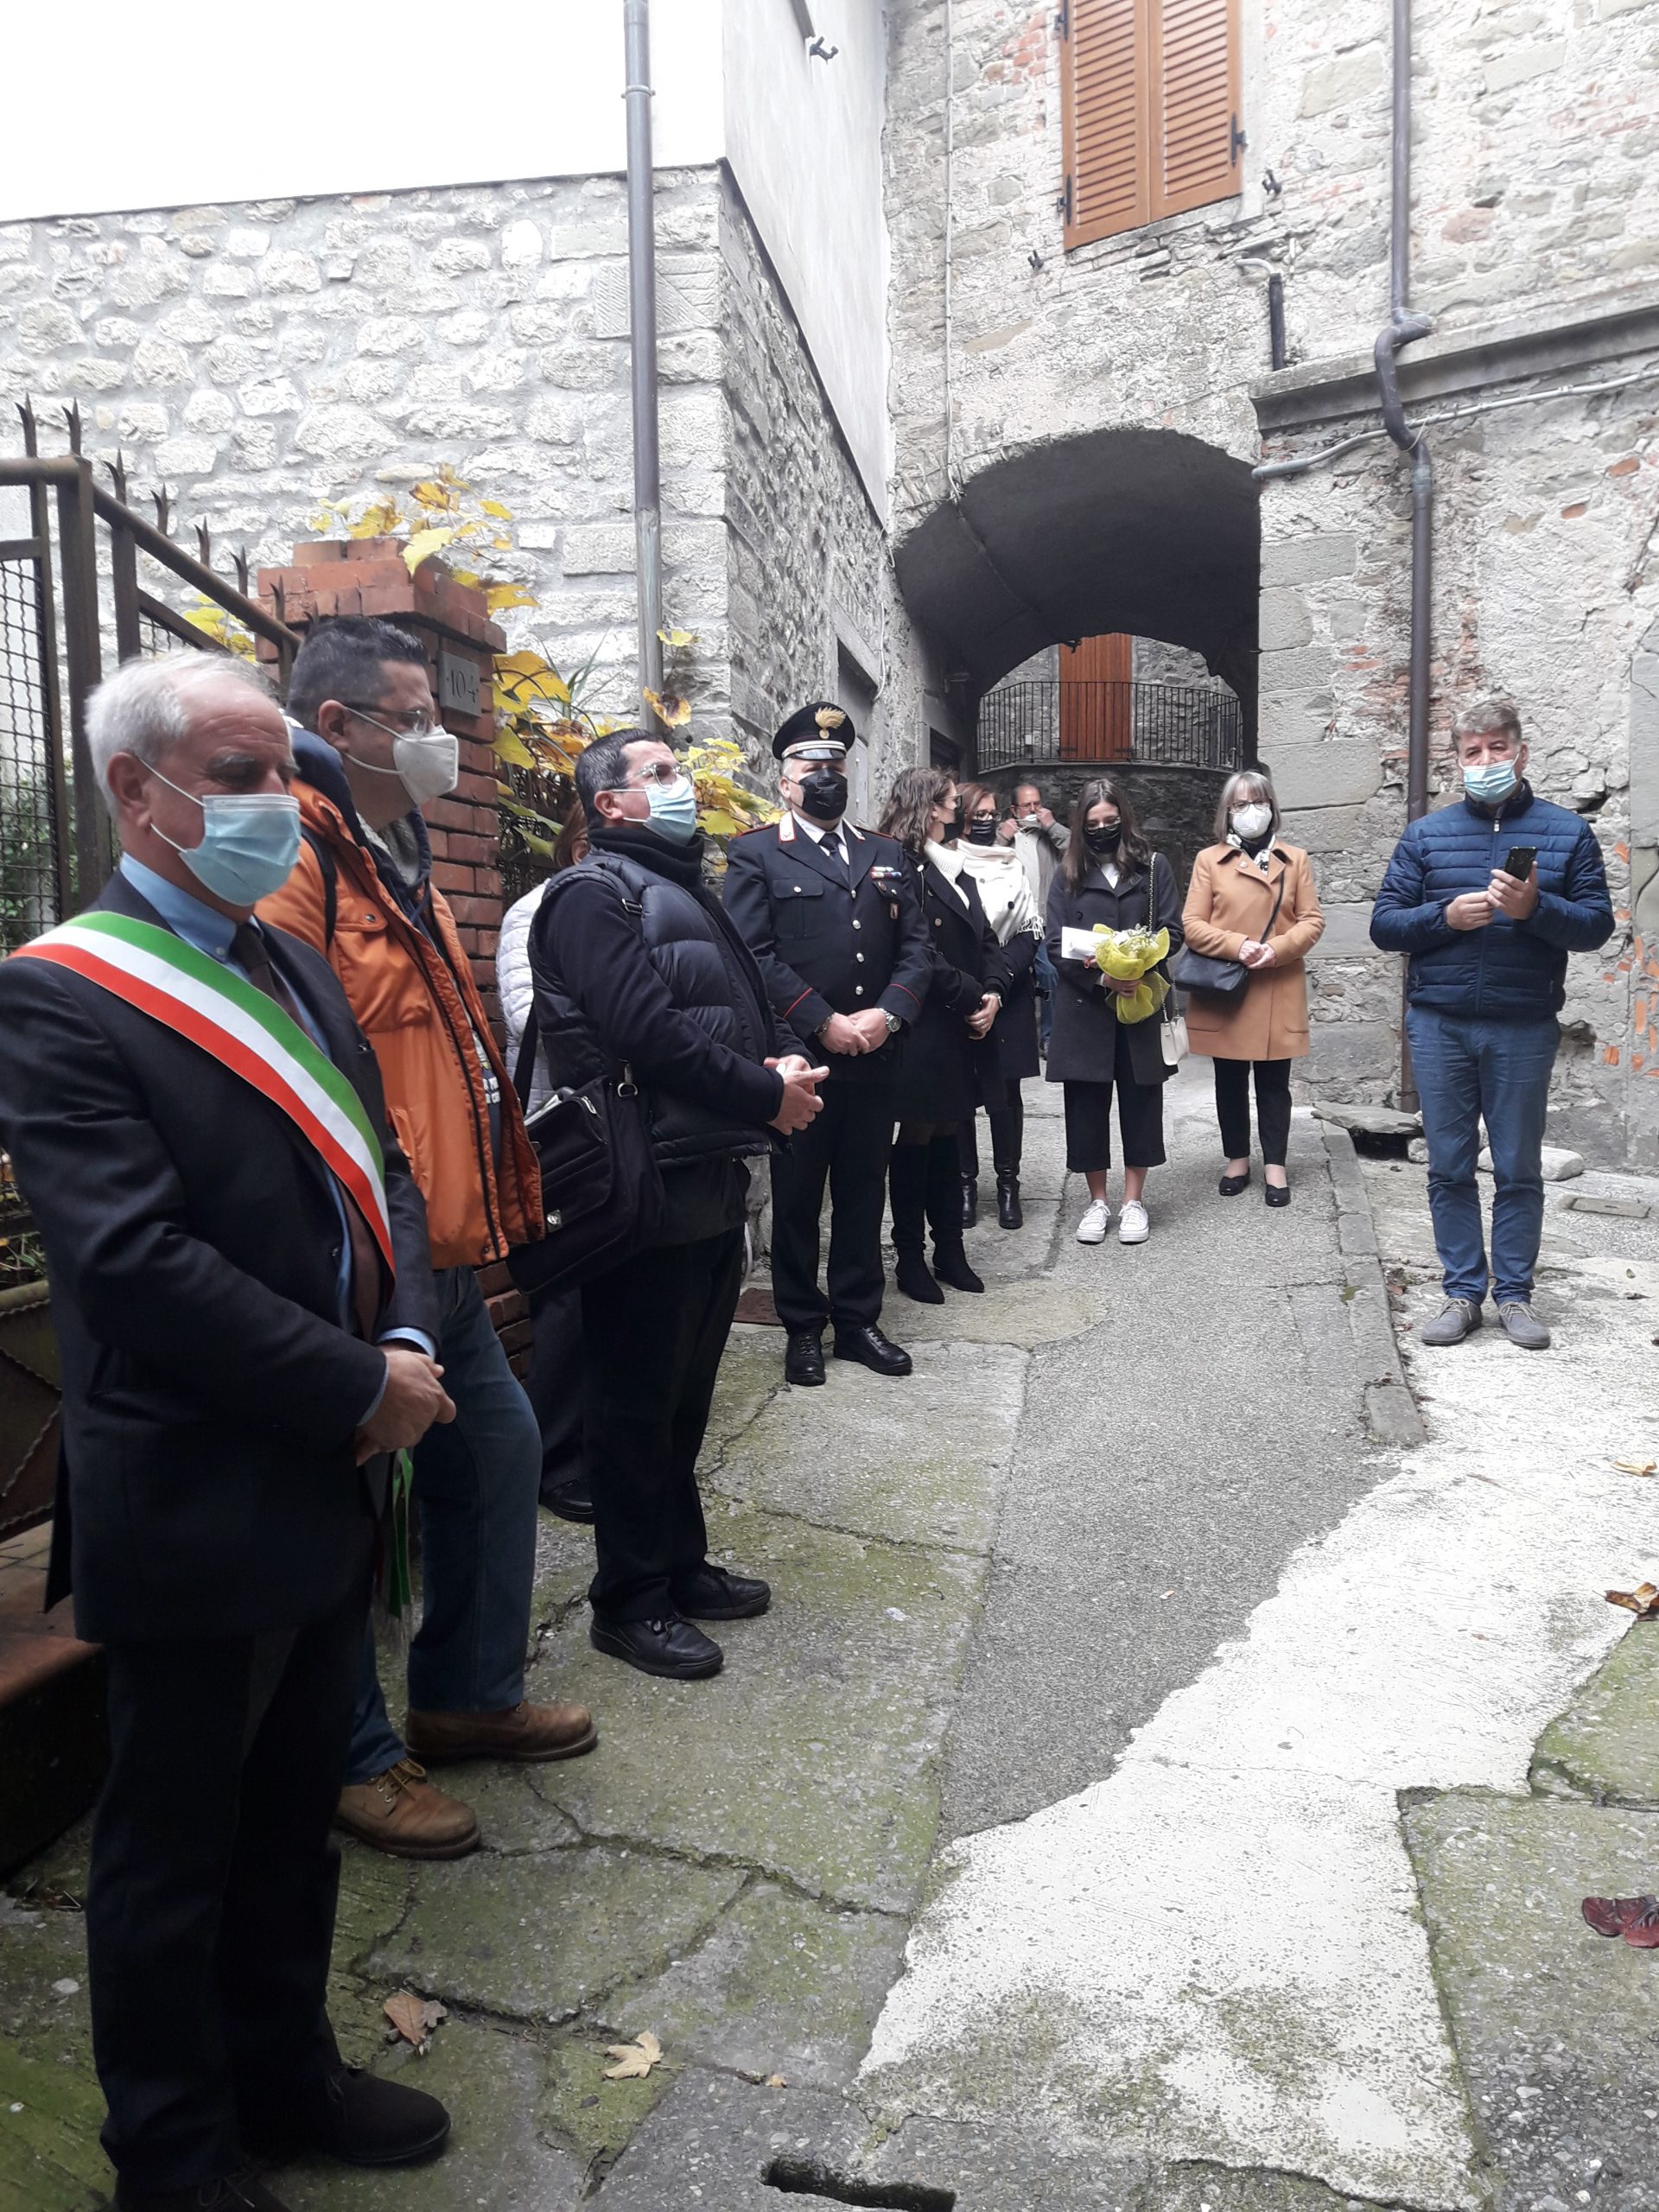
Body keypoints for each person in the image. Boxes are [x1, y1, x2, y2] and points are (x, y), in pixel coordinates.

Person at [0, 657, 454, 2212]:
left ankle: (284, 2074)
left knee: (290, 1817)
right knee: (172, 1849)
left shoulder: (288, 963)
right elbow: (132, 1267)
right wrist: (355, 1388)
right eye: (244, 776)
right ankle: (173, 2155)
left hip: (332, 1472)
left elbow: (383, 1172)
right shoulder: (58, 992)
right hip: (199, 1492)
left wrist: (406, 1337)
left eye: (288, 776)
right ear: (138, 792)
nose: (284, 806)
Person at [259, 617, 594, 1864]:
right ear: (335, 725)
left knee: (498, 1457)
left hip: (438, 1249)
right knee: (351, 1509)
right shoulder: (295, 848)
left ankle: (465, 1697)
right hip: (362, 1254)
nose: (437, 739)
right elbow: (293, 1059)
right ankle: (352, 1755)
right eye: (414, 717)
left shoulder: (391, 849)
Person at [529, 728, 825, 1680]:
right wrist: (765, 1094)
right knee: (632, 1402)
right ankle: (628, 1601)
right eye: (657, 774)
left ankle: (679, 1564)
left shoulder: (684, 887)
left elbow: (734, 1011)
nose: (681, 783)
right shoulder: (590, 895)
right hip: (639, 1180)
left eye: (677, 769)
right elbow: (645, 1032)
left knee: (683, 1394)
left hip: (703, 1170)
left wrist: (778, 1061)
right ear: (608, 804)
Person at [1370, 696, 1613, 1350]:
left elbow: (1596, 927)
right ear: (1457, 760)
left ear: (1521, 753)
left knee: (1517, 1168)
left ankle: (1514, 1296)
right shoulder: (1426, 835)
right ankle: (1461, 1294)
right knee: (1449, 1166)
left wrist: (1536, 909)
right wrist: (1443, 918)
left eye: (1497, 748)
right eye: (1472, 752)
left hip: (1522, 1026)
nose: (1485, 761)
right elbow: (1385, 925)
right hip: (1440, 1024)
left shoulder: (1567, 832)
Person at [723, 702, 931, 1385]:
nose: (825, 776)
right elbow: (751, 954)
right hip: (802, 1057)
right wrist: (821, 1021)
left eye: (835, 766)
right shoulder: (755, 853)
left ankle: (858, 1320)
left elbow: (917, 949)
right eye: (811, 766)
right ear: (784, 780)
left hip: (875, 1055)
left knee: (865, 1190)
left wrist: (888, 1016)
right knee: (798, 1198)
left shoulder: (884, 853)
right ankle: (802, 1326)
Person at [877, 766, 1011, 1302]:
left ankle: (949, 1249)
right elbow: (918, 953)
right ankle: (910, 1255)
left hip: (963, 1023)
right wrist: (971, 995)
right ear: (928, 806)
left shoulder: (953, 866)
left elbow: (987, 939)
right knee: (917, 1136)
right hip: (926, 1022)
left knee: (951, 1132)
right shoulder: (901, 867)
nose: (958, 808)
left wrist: (995, 991)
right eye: (951, 800)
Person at [498, 803, 590, 1522]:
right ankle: (557, 1461)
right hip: (558, 1127)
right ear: (581, 845)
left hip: (623, 1125)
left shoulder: (630, 904)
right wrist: (638, 1026)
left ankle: (596, 1445)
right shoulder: (533, 912)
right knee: (565, 1294)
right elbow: (530, 1016)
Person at [1046, 776, 1182, 1246]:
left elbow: (1172, 930)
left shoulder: (1153, 867)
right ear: (1081, 826)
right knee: (1086, 1106)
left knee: (1141, 1102)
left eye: (1111, 820)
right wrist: (1103, 977)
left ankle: (1133, 1200)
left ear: (1124, 818)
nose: (1103, 829)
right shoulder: (1067, 875)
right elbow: (1055, 943)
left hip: (1139, 1002)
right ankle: (1098, 1200)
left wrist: (1139, 961)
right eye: (1093, 823)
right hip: (1086, 1005)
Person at [1182, 769, 1325, 1207]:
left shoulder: (1295, 860)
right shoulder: (1210, 860)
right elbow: (1192, 925)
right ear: (1227, 812)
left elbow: (1312, 921)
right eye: (1241, 804)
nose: (1251, 811)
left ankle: (1276, 1164)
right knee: (1229, 1080)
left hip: (1277, 984)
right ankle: (1237, 1159)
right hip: (1229, 987)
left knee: (1274, 1083)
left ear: (1272, 807)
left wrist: (1277, 949)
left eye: (1259, 802)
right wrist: (1238, 946)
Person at [951, 780, 1043, 1228]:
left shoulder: (1013, 864)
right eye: (978, 815)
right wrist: (970, 985)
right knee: (961, 1094)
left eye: (992, 814)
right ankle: (965, 1185)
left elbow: (1029, 929)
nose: (987, 822)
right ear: (961, 818)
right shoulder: (946, 864)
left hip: (1009, 989)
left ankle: (1009, 1185)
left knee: (1006, 1095)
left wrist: (998, 979)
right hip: (959, 993)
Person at [999, 779, 1067, 1054]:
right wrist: (1002, 837)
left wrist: (1052, 825)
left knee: (1050, 974)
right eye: (1026, 805)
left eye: (1037, 804)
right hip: (1013, 925)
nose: (1033, 810)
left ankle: (1049, 1037)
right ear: (1014, 810)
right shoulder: (1004, 836)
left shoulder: (1049, 836)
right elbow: (980, 860)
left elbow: (1077, 849)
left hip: (1044, 922)